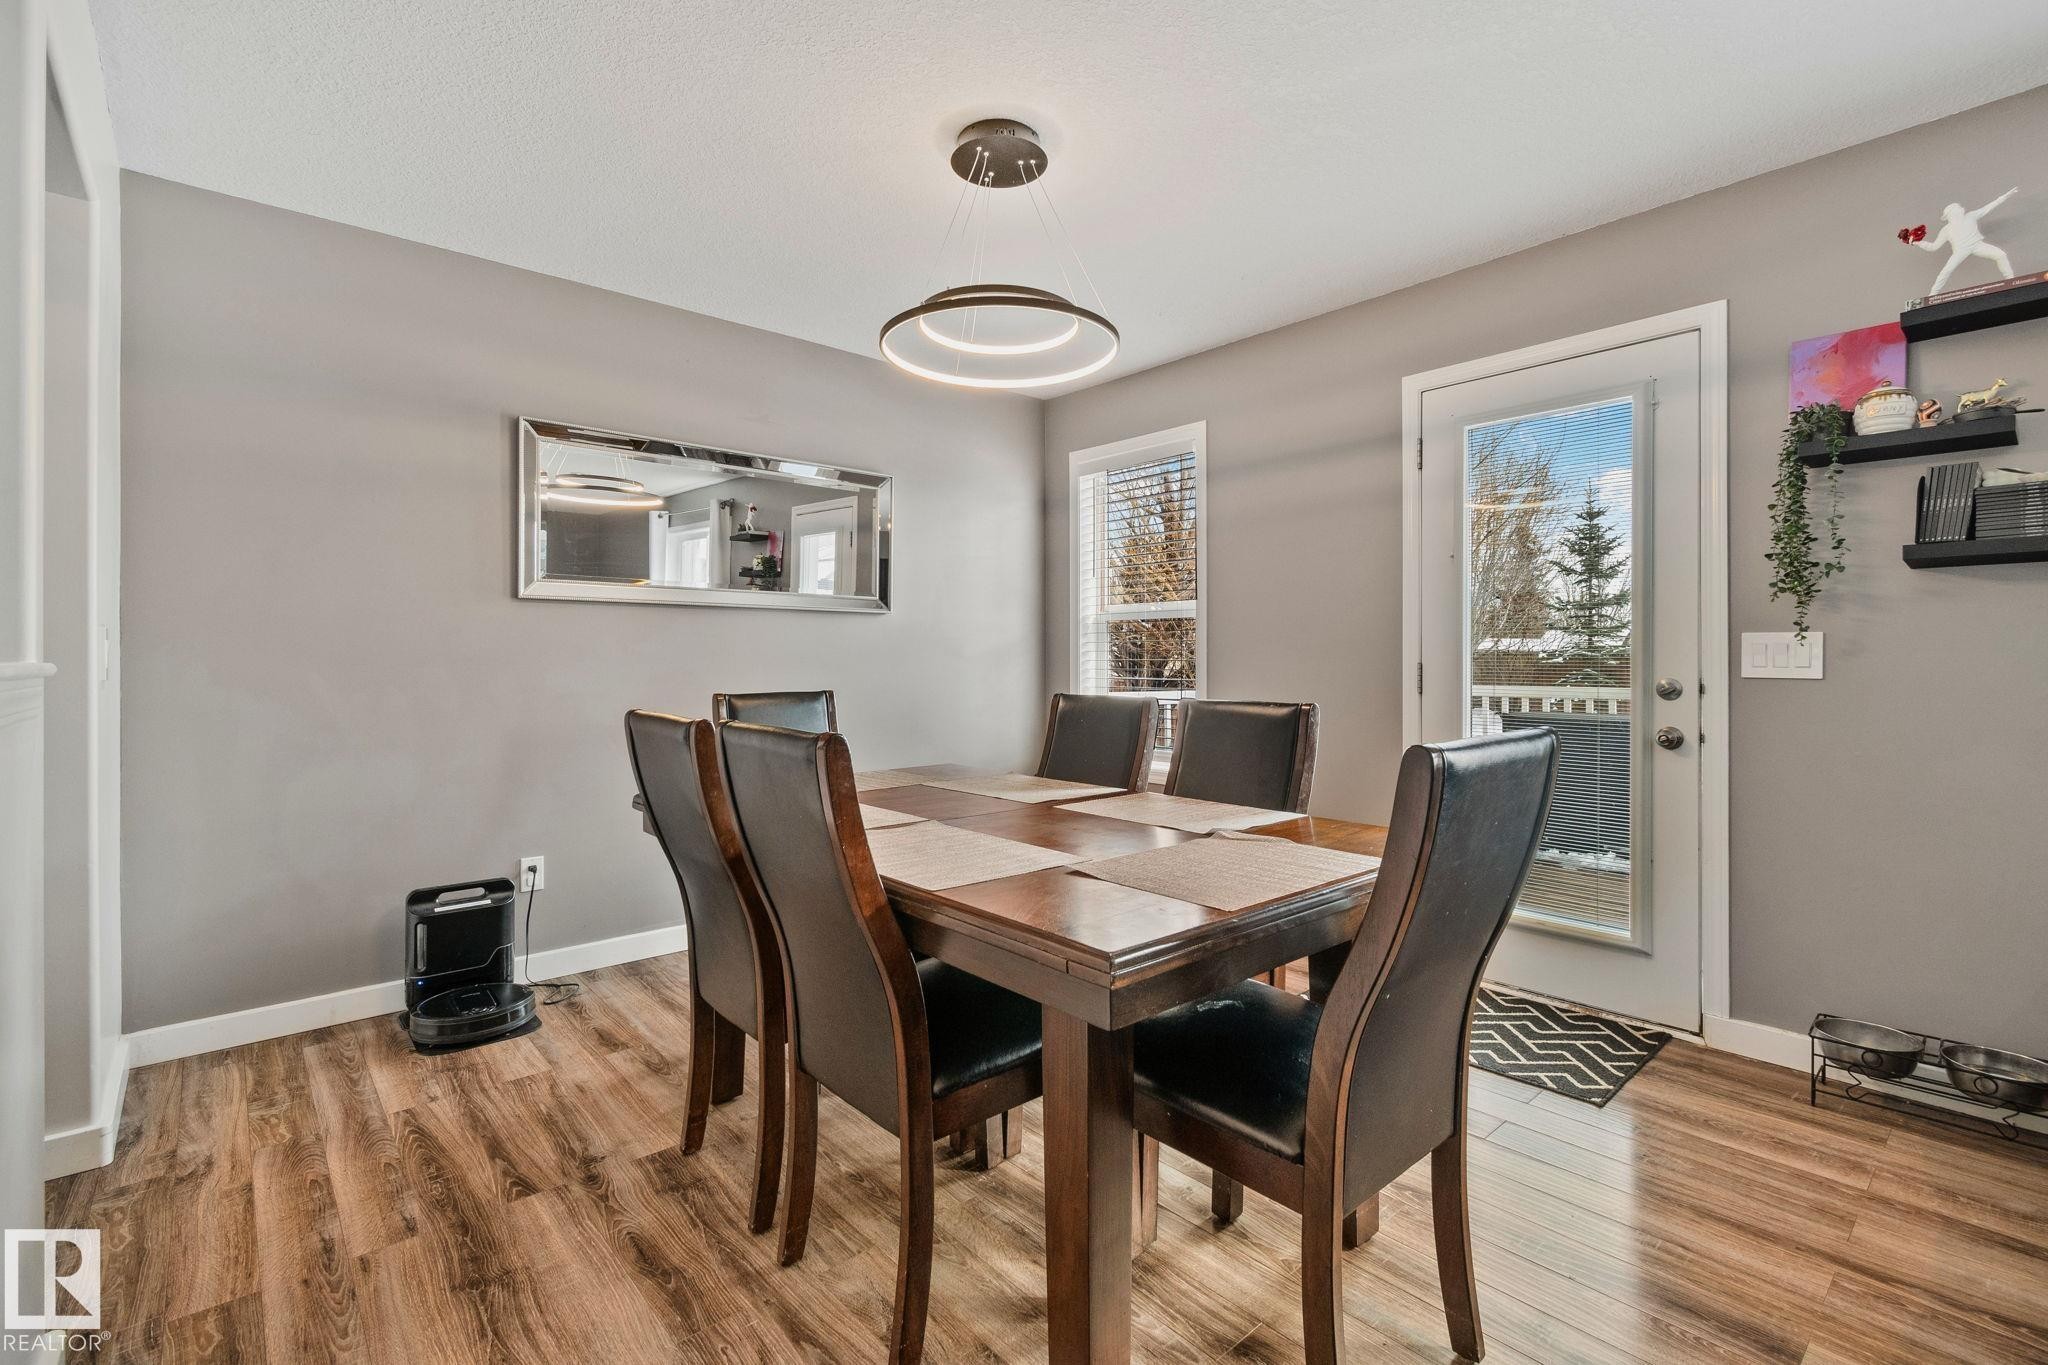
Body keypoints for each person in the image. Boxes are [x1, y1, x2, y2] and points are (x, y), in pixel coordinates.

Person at [1915, 187, 2019, 295]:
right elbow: (1934, 247)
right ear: (1952, 213)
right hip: (1961, 251)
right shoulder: (1946, 230)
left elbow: (1987, 208)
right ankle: (1933, 295)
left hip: (1977, 245)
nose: (1962, 209)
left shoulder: (1971, 216)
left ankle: (2011, 281)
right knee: (1946, 271)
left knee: (2001, 255)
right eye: (1959, 208)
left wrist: (2003, 197)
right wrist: (1918, 243)